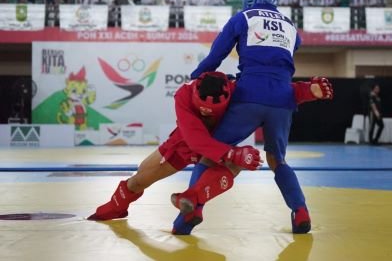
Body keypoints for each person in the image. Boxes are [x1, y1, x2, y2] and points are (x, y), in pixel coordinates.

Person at [170, 0, 332, 235]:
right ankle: (300, 211)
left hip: (249, 95)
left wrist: (195, 77)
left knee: (211, 153)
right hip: (283, 99)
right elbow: (291, 51)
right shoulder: (290, 26)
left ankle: (191, 211)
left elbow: (217, 55)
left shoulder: (243, 17)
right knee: (277, 160)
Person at [87, 72, 332, 228]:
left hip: (219, 145)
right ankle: (116, 206)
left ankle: (194, 202)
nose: (208, 113)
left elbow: (270, 94)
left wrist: (306, 91)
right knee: (140, 177)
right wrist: (232, 153)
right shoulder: (184, 94)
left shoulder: (237, 89)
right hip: (184, 144)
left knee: (235, 165)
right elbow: (195, 139)